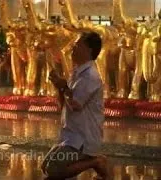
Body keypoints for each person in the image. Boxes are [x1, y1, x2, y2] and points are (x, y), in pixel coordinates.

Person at [41, 32, 108, 180]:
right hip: (71, 136)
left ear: (89, 50)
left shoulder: (90, 76)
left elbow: (76, 104)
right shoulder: (77, 73)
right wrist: (59, 86)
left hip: (83, 138)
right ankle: (88, 162)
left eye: (77, 45)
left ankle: (95, 161)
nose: (73, 48)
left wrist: (64, 87)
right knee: (45, 167)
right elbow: (64, 105)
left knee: (54, 169)